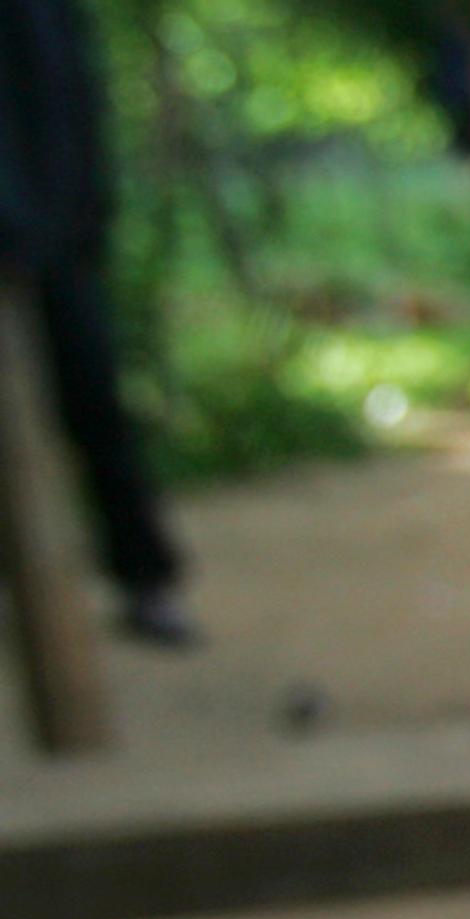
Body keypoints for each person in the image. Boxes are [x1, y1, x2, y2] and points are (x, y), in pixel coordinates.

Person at [0, 0, 194, 647]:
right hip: (33, 233)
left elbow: (75, 103)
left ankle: (144, 580)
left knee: (98, 412)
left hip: (58, 241)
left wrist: (82, 221)